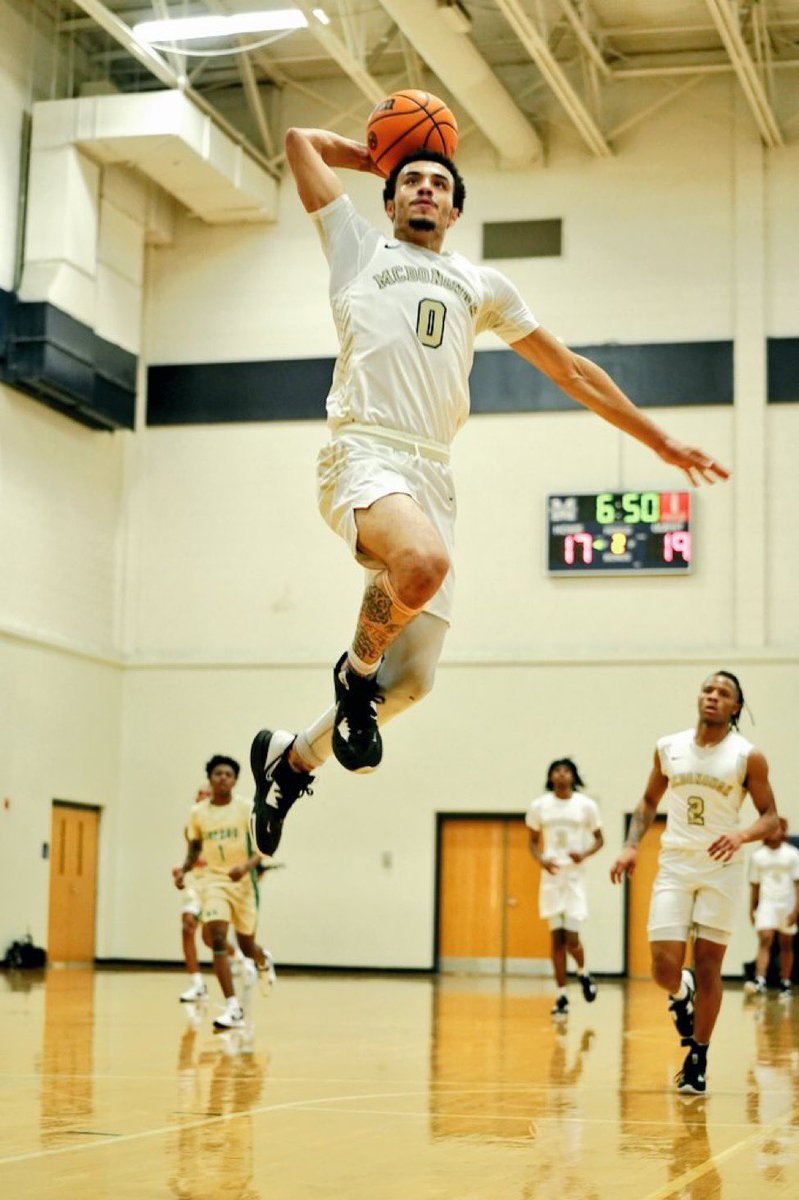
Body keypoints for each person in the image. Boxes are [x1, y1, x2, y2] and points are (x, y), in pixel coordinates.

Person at [249, 127, 730, 858]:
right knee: (420, 566)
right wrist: (379, 151)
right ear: (386, 198)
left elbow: (571, 371)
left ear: (454, 211)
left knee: (411, 683)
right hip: (363, 449)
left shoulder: (482, 284)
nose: (424, 189)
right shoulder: (355, 246)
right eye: (410, 180)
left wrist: (656, 440)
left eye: (438, 184)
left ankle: (288, 763)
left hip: (433, 471)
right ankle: (352, 675)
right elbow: (297, 141)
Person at [610, 671, 779, 1094]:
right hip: (675, 865)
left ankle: (698, 1056)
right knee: (664, 968)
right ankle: (679, 992)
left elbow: (770, 816)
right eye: (708, 690)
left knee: (709, 966)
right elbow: (649, 801)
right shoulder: (669, 748)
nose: (713, 697)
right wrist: (631, 845)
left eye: (724, 694)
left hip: (721, 868)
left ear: (735, 707)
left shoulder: (746, 756)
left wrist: (741, 835)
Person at [173, 755, 275, 1030]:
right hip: (214, 881)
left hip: (243, 883)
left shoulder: (246, 809)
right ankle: (233, 1006)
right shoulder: (198, 813)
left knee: (246, 945)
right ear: (210, 778)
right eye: (217, 773)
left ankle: (263, 961)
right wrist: (184, 870)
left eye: (228, 774)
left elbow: (264, 849)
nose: (222, 778)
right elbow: (194, 848)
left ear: (235, 780)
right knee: (216, 936)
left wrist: (245, 867)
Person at [526, 758, 604, 1016]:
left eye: (566, 771)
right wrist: (541, 861)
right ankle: (561, 997)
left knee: (572, 940)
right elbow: (533, 842)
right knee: (556, 942)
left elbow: (599, 839)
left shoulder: (586, 805)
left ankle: (583, 973)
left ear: (573, 776)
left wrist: (584, 854)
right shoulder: (539, 806)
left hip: (574, 878)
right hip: (551, 877)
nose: (561, 775)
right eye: (556, 771)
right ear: (550, 777)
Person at [744, 817, 799, 997]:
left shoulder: (792, 854)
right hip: (767, 903)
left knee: (785, 943)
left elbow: (797, 884)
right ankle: (760, 979)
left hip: (787, 903)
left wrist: (795, 910)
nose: (776, 832)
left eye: (779, 829)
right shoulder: (758, 856)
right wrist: (752, 909)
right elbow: (754, 885)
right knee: (765, 939)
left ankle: (786, 981)